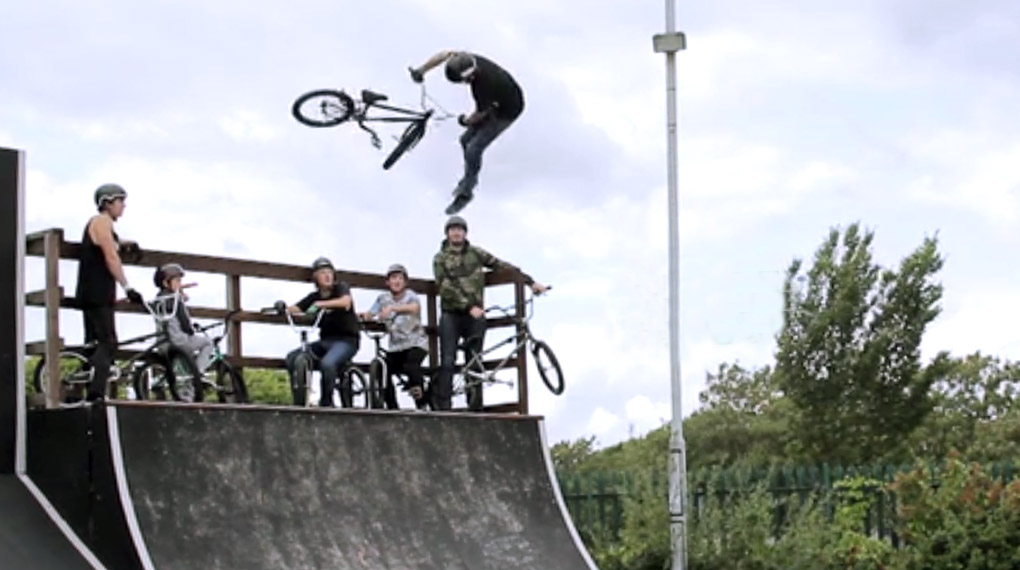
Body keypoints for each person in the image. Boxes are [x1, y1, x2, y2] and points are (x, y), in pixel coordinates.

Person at [432, 215, 548, 411]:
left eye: (460, 229)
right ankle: (444, 409)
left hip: (475, 316)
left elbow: (503, 266)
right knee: (448, 360)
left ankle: (475, 407)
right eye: (452, 229)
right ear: (447, 234)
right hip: (452, 314)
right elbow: (445, 288)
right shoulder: (440, 258)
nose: (457, 232)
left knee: (475, 359)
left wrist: (530, 282)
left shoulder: (476, 253)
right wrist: (469, 306)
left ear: (465, 232)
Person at [409, 50, 525, 215]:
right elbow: (443, 55)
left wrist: (464, 121)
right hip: (498, 97)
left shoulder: (483, 85)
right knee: (464, 141)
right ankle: (470, 176)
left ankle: (466, 193)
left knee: (473, 148)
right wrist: (421, 70)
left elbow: (479, 115)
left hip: (507, 111)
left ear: (468, 78)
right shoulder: (463, 59)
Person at [73, 183, 143, 403]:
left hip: (92, 289)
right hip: (97, 290)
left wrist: (127, 243)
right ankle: (96, 392)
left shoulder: (103, 226)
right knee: (109, 342)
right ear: (108, 202)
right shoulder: (101, 222)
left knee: (93, 342)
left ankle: (80, 387)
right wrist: (128, 287)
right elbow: (110, 256)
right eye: (120, 201)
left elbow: (113, 242)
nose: (123, 206)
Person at [283, 257, 360, 408]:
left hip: (346, 341)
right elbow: (297, 308)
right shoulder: (314, 297)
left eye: (329, 272)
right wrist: (282, 308)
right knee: (292, 357)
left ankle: (326, 402)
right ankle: (299, 400)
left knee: (328, 364)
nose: (327, 276)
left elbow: (345, 302)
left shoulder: (340, 288)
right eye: (322, 273)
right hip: (325, 341)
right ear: (315, 277)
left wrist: (320, 305)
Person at [359, 263, 430, 411]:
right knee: (382, 368)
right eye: (393, 278)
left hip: (416, 343)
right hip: (396, 347)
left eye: (400, 278)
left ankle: (422, 402)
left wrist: (393, 308)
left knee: (411, 366)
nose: (396, 281)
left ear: (405, 282)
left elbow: (414, 308)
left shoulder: (411, 296)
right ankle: (392, 406)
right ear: (387, 282)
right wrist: (364, 316)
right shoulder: (382, 299)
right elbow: (371, 312)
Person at [151, 263, 214, 374]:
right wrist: (191, 331)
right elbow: (184, 322)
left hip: (163, 344)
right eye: (178, 281)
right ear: (166, 283)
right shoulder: (175, 300)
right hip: (179, 341)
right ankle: (198, 373)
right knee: (208, 343)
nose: (180, 284)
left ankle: (189, 382)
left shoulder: (158, 300)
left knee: (183, 369)